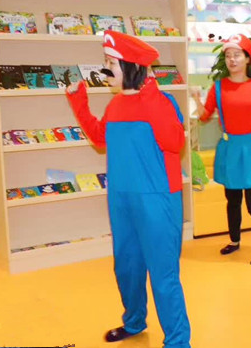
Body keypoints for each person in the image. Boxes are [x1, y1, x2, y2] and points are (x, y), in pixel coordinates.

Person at [66, 31, 190, 347]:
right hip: (121, 198)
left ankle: (178, 341)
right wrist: (79, 103)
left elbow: (175, 142)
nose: (105, 70)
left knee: (163, 275)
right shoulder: (116, 104)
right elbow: (100, 138)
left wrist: (149, 96)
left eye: (111, 64)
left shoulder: (162, 102)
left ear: (132, 67)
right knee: (127, 268)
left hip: (157, 200)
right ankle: (134, 321)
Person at [192, 34, 251, 265]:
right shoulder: (218, 88)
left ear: (247, 58)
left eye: (237, 55)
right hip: (230, 149)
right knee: (232, 200)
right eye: (228, 55)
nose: (232, 60)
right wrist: (196, 98)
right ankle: (234, 241)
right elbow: (204, 116)